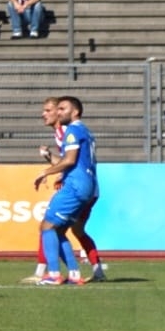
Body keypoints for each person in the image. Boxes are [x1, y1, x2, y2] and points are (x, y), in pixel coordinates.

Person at [23, 97, 104, 282]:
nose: (57, 113)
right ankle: (75, 274)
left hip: (76, 185)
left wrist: (46, 172)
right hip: (87, 185)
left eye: (61, 109)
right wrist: (51, 159)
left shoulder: (71, 131)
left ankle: (53, 274)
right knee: (60, 230)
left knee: (47, 226)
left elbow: (69, 160)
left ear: (74, 112)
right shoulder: (84, 130)